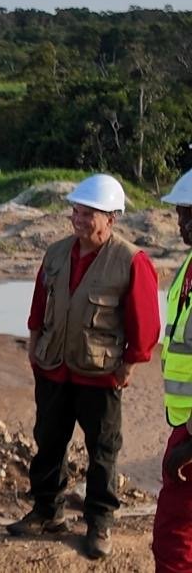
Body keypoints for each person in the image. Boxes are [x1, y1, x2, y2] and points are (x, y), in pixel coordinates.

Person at [6, 173, 160, 558]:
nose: (79, 219)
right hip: (54, 367)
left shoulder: (132, 261)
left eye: (89, 213)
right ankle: (46, 512)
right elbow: (41, 300)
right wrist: (33, 340)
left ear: (112, 218)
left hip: (100, 374)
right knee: (49, 443)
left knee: (102, 452)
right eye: (76, 210)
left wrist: (130, 364)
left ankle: (99, 523)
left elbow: (146, 323)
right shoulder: (57, 253)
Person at [155, 168, 192, 572]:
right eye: (181, 213)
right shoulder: (188, 268)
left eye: (190, 214)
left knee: (176, 535)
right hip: (183, 424)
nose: (182, 223)